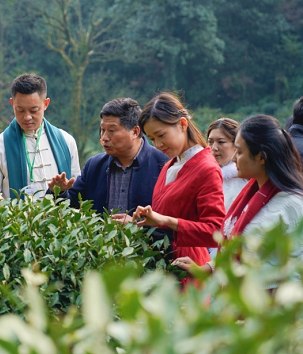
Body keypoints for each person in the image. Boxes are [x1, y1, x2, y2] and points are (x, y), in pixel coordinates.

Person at [173, 115, 303, 284]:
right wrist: (206, 268)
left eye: (240, 152)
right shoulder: (252, 195)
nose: (234, 159)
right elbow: (235, 250)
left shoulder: (292, 205)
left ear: (261, 157)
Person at [124, 92, 226, 284]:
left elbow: (216, 231)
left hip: (186, 268)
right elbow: (163, 219)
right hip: (162, 266)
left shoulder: (206, 168)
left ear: (182, 124)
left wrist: (167, 220)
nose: (158, 144)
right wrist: (137, 223)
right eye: (152, 138)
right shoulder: (170, 164)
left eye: (161, 135)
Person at [48, 98, 168, 215]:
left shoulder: (163, 164)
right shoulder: (94, 166)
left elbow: (170, 218)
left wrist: (137, 224)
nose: (104, 137)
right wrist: (59, 192)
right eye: (102, 130)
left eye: (111, 130)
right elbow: (71, 205)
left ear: (135, 132)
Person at [0, 74, 81, 199]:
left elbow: (77, 189)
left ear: (46, 104)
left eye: (34, 110)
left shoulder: (66, 141)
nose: (27, 117)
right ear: (12, 104)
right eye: (20, 110)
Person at [207, 118, 249, 211]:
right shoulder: (203, 176)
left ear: (236, 145)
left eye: (221, 142)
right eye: (210, 142)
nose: (214, 148)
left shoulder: (243, 181)